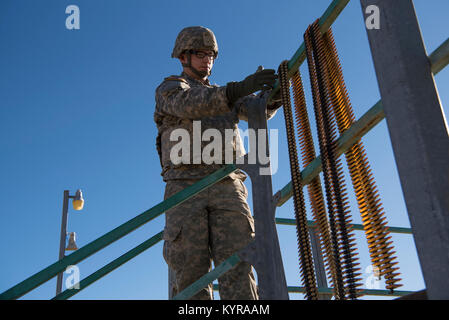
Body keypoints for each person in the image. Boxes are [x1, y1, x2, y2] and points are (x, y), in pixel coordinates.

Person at [153, 26, 282, 300]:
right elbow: (190, 104)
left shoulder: (228, 95)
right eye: (200, 54)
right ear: (183, 57)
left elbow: (256, 111)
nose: (207, 60)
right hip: (185, 188)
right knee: (190, 273)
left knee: (239, 266)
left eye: (211, 54)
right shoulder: (171, 89)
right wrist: (238, 90)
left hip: (228, 186)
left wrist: (274, 97)